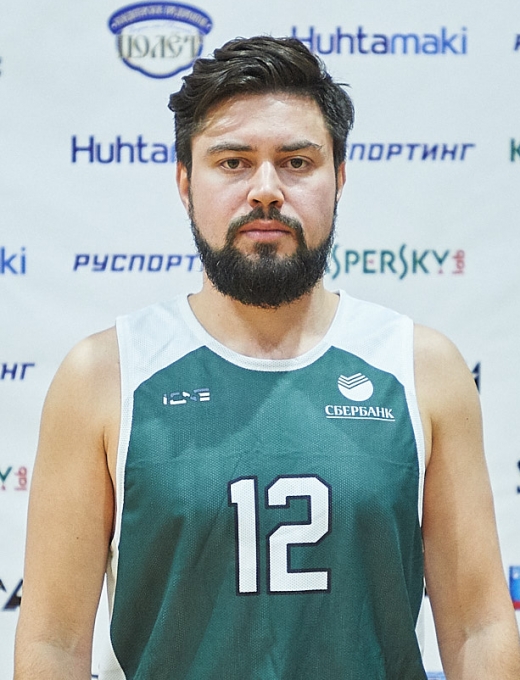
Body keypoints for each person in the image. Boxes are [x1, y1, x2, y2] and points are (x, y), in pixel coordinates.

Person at [14, 36, 520, 680]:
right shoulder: (103, 376)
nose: (266, 189)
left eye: (296, 162)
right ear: (184, 181)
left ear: (339, 178)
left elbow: (478, 627)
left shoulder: (422, 368)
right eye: (233, 162)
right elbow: (54, 644)